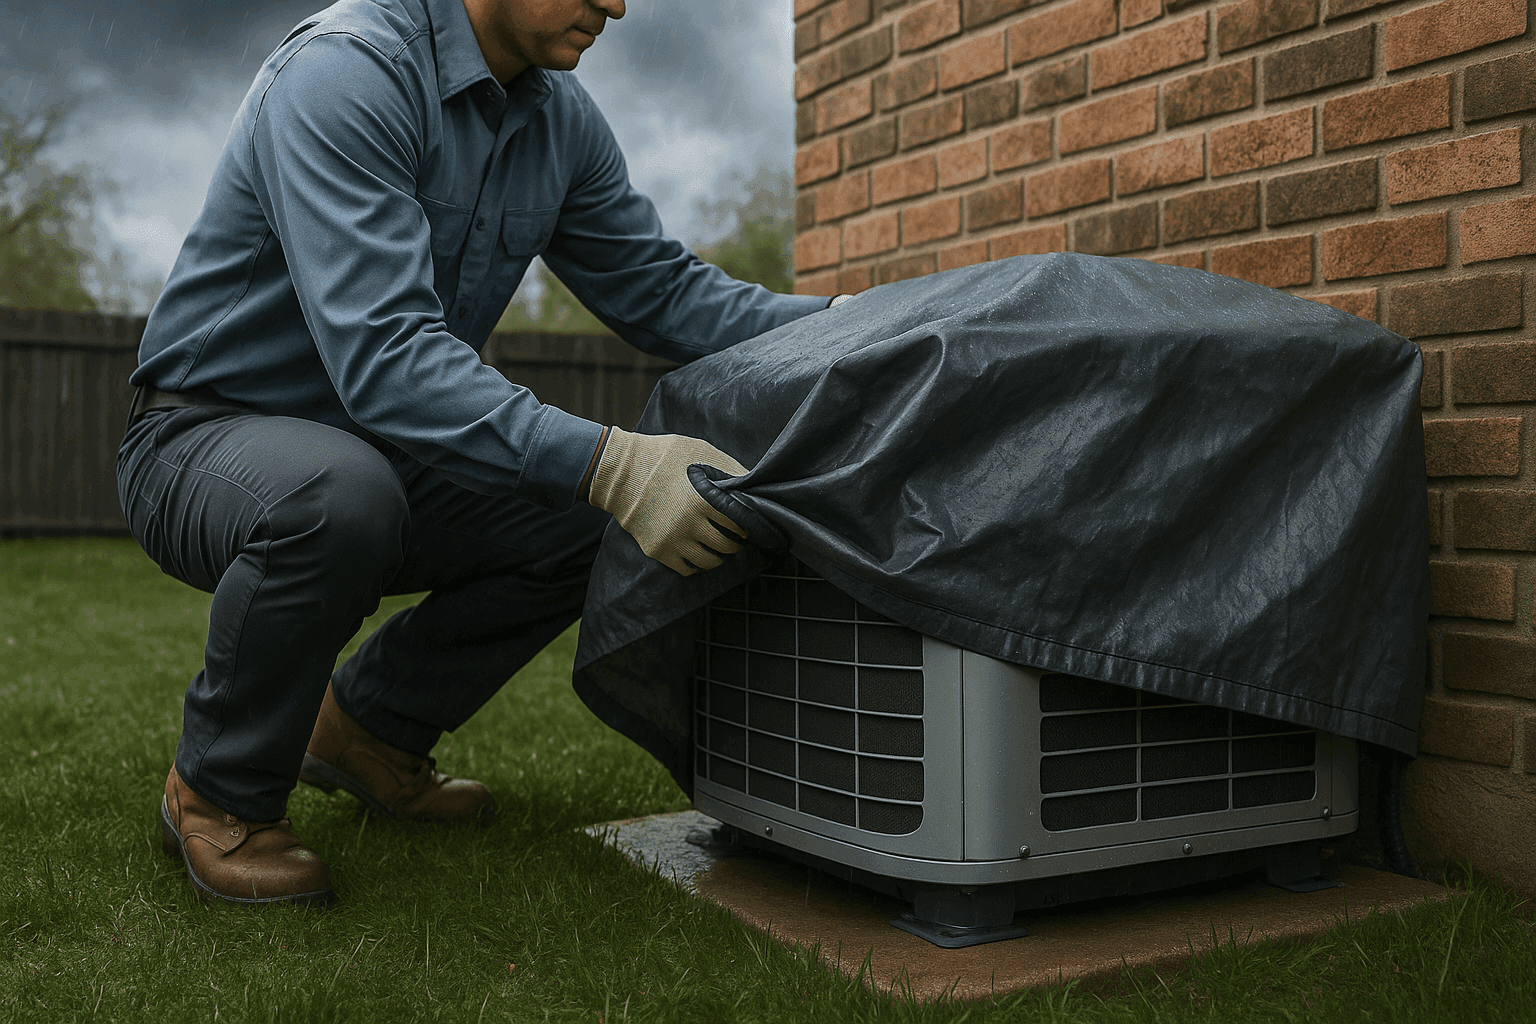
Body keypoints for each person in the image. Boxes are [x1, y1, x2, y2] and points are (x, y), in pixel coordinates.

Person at [117, 0, 840, 907]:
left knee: (580, 521)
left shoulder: (558, 119)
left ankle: (369, 727)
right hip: (200, 438)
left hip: (384, 452)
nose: (615, 4)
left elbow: (664, 292)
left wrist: (845, 325)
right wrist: (617, 464)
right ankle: (218, 790)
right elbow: (386, 357)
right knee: (344, 498)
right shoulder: (348, 73)